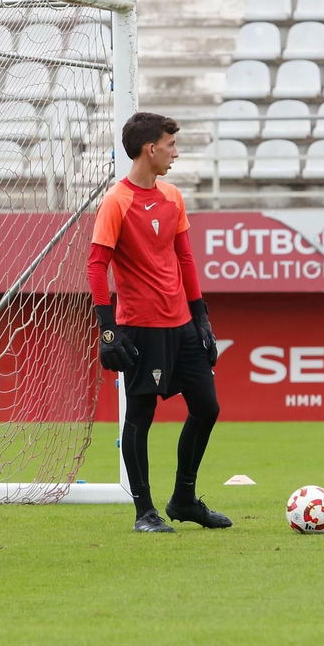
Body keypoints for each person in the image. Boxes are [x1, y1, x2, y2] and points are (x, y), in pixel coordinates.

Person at [88, 111, 229, 533]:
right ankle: (144, 512)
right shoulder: (117, 202)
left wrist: (201, 318)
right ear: (151, 149)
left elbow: (185, 257)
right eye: (170, 145)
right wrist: (108, 329)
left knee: (207, 407)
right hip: (141, 328)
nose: (175, 152)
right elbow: (97, 266)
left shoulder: (172, 196)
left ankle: (183, 499)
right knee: (141, 416)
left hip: (182, 324)